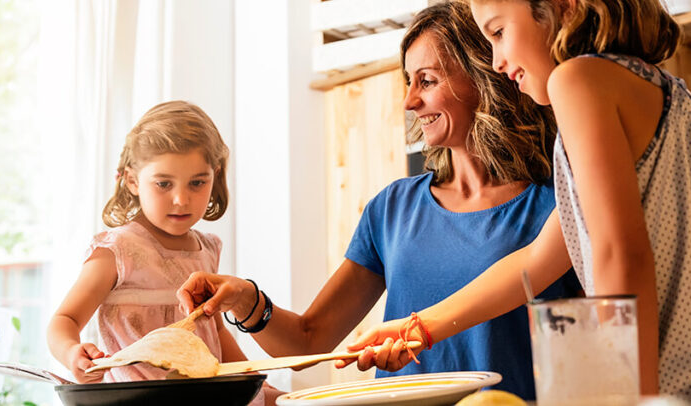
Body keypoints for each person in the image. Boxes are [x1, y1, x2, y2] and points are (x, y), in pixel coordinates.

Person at [344, 0, 691, 404]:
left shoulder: (578, 80)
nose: (496, 61)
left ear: (563, 6)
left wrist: (626, 399)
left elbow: (618, 255)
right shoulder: (647, 86)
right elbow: (537, 260)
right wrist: (419, 328)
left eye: (498, 31)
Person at [175, 2, 582, 400]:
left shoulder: (557, 200)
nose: (408, 101)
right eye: (408, 82)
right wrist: (246, 299)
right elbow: (308, 340)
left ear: (483, 74)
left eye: (426, 80)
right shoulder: (393, 209)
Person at [46, 101, 280, 405]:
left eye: (197, 182)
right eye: (163, 184)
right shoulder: (117, 250)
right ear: (132, 181)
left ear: (216, 175)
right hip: (138, 400)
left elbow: (217, 333)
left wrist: (255, 384)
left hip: (206, 397)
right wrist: (70, 352)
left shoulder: (206, 249)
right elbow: (64, 319)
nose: (181, 199)